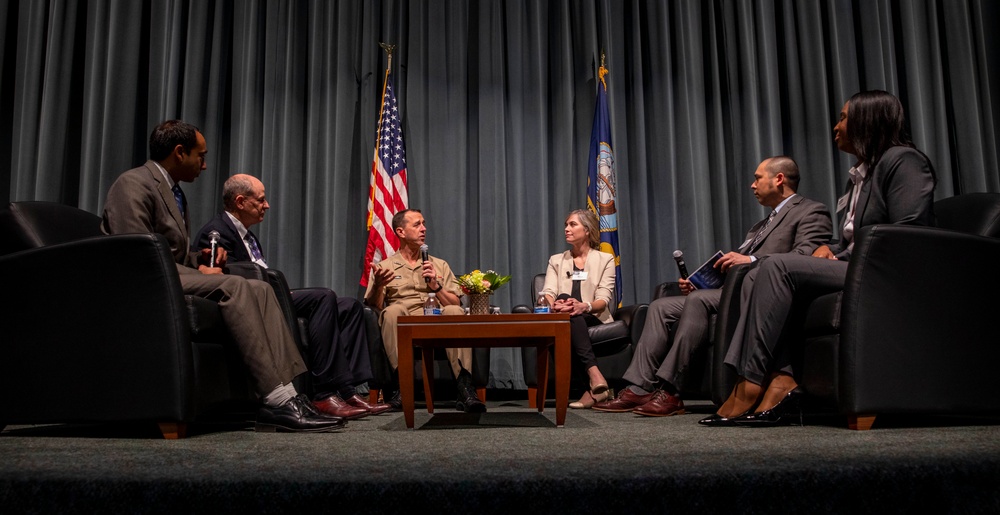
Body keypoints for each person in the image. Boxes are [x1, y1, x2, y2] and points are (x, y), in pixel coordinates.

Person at [704, 90, 937, 427]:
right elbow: (854, 239)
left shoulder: (904, 160)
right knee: (758, 272)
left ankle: (749, 381)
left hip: (884, 274)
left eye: (843, 117)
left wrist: (846, 257)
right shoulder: (859, 175)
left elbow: (907, 232)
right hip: (854, 266)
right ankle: (781, 378)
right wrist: (832, 251)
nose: (836, 126)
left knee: (776, 264)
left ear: (867, 120)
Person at [101, 120, 345, 433]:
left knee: (260, 289)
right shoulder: (133, 183)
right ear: (179, 152)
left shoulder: (175, 193)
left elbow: (171, 249)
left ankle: (292, 394)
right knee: (236, 286)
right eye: (200, 156)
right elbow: (134, 250)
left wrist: (197, 258)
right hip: (146, 279)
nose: (204, 165)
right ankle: (275, 399)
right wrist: (189, 265)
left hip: (169, 270)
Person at [594, 157, 832, 416]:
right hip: (728, 291)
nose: (752, 186)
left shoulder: (810, 210)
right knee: (661, 307)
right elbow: (735, 268)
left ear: (779, 179)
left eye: (757, 178)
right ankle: (639, 388)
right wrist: (701, 282)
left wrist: (751, 259)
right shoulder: (760, 225)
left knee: (697, 303)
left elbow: (806, 257)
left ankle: (672, 391)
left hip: (763, 294)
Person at [193, 174, 390, 419]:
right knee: (322, 297)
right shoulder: (216, 233)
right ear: (241, 201)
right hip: (256, 301)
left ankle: (348, 391)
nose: (267, 205)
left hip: (271, 293)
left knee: (349, 306)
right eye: (261, 200)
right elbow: (228, 278)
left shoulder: (248, 235)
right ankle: (323, 394)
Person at [363, 209, 486, 413]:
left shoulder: (438, 264)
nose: (424, 229)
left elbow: (456, 301)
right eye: (417, 225)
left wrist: (436, 286)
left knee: (454, 311)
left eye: (424, 224)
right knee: (393, 311)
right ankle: (402, 388)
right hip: (405, 323)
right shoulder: (385, 266)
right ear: (401, 232)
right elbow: (375, 306)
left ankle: (465, 387)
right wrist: (377, 286)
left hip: (436, 320)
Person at [540, 209, 617, 409]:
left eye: (572, 224)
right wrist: (552, 303)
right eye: (566, 225)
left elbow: (603, 300)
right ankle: (595, 380)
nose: (566, 229)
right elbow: (548, 291)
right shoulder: (557, 260)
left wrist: (585, 306)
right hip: (564, 316)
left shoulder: (605, 260)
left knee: (572, 313)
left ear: (587, 230)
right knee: (566, 305)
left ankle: (591, 385)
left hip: (593, 315)